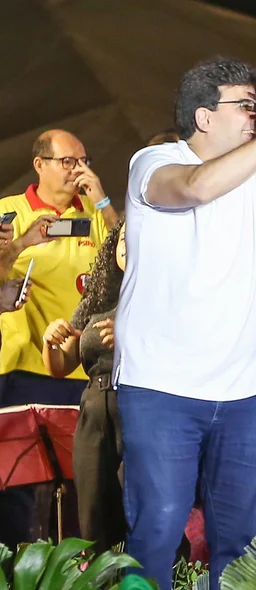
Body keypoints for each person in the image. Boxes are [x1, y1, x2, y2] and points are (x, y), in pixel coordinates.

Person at [114, 56, 256, 590]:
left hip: (242, 393)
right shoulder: (154, 162)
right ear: (205, 116)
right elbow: (195, 188)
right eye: (247, 106)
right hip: (160, 387)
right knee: (158, 534)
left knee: (242, 542)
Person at [0, 129, 113, 548]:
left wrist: (101, 198)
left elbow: (130, 255)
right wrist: (24, 244)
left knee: (84, 486)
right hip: (23, 370)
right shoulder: (10, 212)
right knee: (18, 487)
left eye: (82, 160)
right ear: (39, 164)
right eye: (67, 161)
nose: (77, 169)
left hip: (84, 372)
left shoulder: (94, 213)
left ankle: (81, 567)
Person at [41, 221, 127, 552]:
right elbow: (62, 365)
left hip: (141, 405)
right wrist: (51, 341)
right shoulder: (98, 296)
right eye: (122, 239)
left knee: (139, 513)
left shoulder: (165, 293)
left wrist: (135, 332)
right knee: (93, 519)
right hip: (94, 411)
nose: (127, 245)